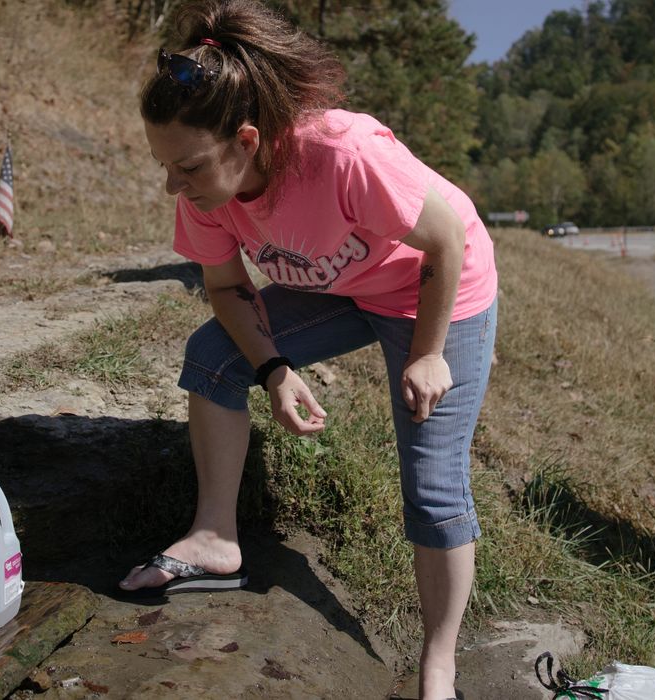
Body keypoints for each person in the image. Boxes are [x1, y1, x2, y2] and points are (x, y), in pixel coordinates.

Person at [115, 2, 498, 699]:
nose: (174, 184)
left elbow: (447, 240)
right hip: (342, 284)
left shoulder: (343, 156)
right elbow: (227, 287)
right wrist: (272, 369)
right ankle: (214, 538)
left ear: (247, 140)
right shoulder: (203, 191)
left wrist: (429, 352)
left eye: (189, 167)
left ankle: (437, 664)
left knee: (433, 484)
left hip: (431, 287)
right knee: (212, 359)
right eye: (162, 166)